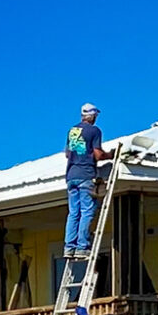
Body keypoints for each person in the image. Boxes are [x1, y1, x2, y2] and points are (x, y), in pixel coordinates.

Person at [62, 103, 109, 257]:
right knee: (87, 211)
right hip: (85, 174)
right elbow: (98, 154)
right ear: (92, 115)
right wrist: (111, 155)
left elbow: (68, 154)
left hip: (71, 175)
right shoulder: (94, 131)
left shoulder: (72, 131)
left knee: (73, 213)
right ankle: (82, 246)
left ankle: (69, 247)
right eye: (96, 115)